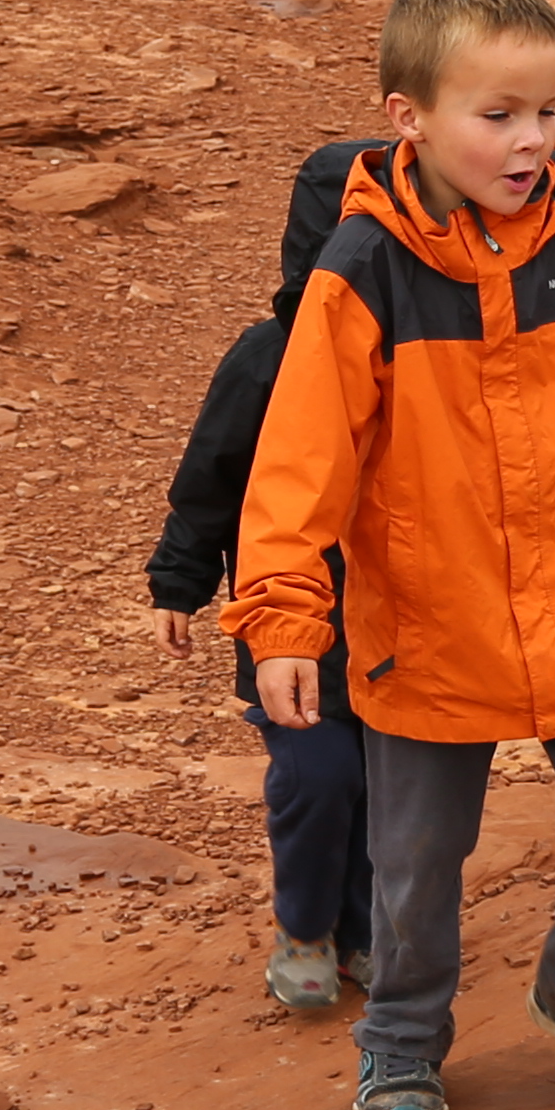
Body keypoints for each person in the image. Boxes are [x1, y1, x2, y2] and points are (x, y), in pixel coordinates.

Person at [230, 0, 555, 1110]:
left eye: (547, 112)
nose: (530, 140)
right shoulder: (364, 272)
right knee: (418, 850)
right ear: (412, 118)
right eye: (497, 116)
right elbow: (301, 461)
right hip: (428, 613)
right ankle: (401, 1036)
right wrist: (288, 616)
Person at [145, 134, 383, 1015]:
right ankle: (308, 927)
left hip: (408, 622)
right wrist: (179, 579)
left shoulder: (428, 349)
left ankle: (365, 930)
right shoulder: (267, 355)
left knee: (392, 790)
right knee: (320, 779)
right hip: (294, 621)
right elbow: (211, 474)